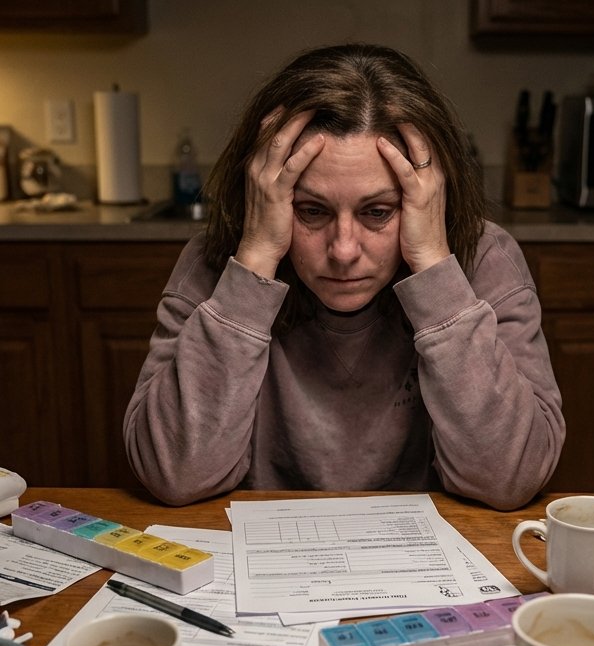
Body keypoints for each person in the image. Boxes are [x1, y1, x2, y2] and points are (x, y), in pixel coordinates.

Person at [123, 43, 565, 510]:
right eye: (310, 211)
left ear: (430, 200)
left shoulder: (484, 261)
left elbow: (509, 478)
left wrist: (436, 268)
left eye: (378, 212)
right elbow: (175, 473)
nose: (344, 251)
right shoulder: (214, 264)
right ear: (265, 197)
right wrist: (253, 262)